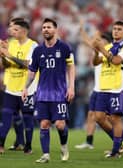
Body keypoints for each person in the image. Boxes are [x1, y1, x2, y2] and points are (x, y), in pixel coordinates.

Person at [22, 18, 75, 163]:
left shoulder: (64, 47)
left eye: (49, 27)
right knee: (44, 124)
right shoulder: (38, 50)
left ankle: (64, 145)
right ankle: (46, 155)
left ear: (55, 29)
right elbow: (32, 72)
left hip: (59, 93)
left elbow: (71, 67)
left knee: (60, 124)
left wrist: (71, 87)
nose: (45, 29)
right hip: (43, 94)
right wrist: (25, 88)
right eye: (44, 27)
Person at [83, 21, 123, 158]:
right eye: (114, 29)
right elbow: (95, 62)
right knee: (98, 117)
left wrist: (102, 49)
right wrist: (95, 50)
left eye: (119, 29)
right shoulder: (108, 46)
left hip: (117, 88)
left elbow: (116, 61)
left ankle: (116, 150)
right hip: (103, 88)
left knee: (115, 119)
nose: (116, 31)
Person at [0, 19, 38, 154]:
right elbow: (5, 65)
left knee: (27, 117)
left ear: (24, 31)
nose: (12, 32)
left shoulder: (33, 46)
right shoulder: (10, 43)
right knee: (6, 114)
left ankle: (28, 146)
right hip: (11, 86)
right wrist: (3, 56)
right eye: (12, 29)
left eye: (15, 29)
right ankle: (1, 144)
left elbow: (29, 64)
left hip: (26, 88)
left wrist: (9, 55)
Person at [6, 17, 25, 151]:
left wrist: (6, 54)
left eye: (13, 27)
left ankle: (21, 141)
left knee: (13, 114)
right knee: (13, 115)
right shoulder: (10, 43)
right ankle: (20, 141)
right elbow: (5, 64)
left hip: (21, 84)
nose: (10, 29)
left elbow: (25, 64)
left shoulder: (26, 44)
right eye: (10, 27)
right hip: (8, 82)